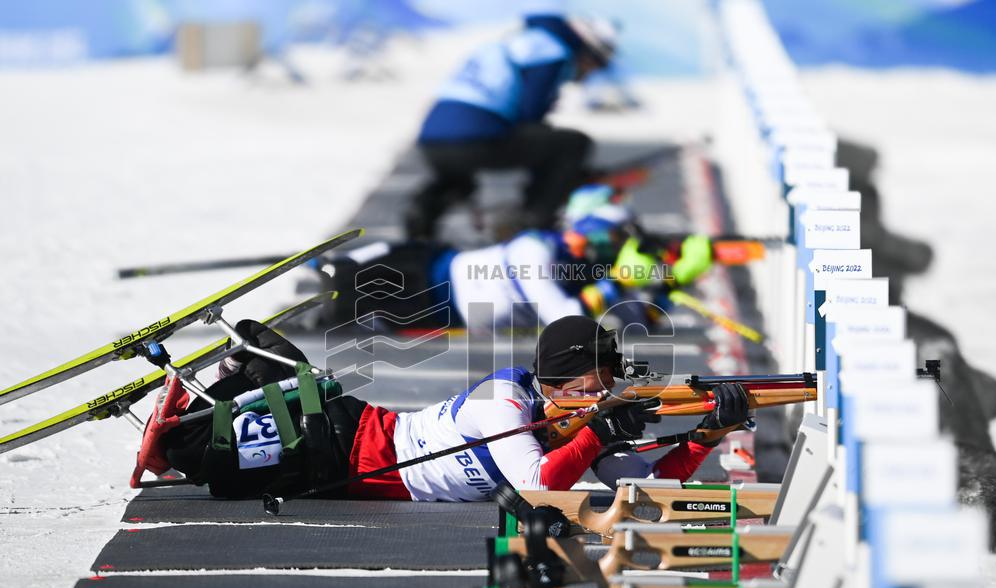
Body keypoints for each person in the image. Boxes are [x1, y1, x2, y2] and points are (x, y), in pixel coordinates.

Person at [141, 316, 748, 501]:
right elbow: (539, 483)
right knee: (200, 457)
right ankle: (221, 378)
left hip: (345, 465)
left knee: (230, 467)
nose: (596, 401)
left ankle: (253, 370)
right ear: (557, 382)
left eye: (603, 390)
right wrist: (598, 434)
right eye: (589, 388)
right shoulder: (503, 401)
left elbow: (639, 490)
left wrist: (705, 436)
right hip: (347, 445)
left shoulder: (576, 425)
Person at [318, 198, 715, 331]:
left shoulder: (591, 275)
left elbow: (641, 320)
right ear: (589, 231)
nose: (617, 249)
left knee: (350, 313)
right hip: (429, 271)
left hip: (439, 311)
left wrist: (663, 285)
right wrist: (621, 282)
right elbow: (561, 315)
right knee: (350, 276)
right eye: (614, 238)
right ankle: (330, 266)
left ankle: (323, 308)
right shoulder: (535, 249)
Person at [405, 12, 618, 240]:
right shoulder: (551, 50)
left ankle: (422, 218)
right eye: (595, 63)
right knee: (572, 144)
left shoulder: (515, 42)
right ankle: (534, 223)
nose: (589, 72)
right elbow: (530, 115)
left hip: (431, 141)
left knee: (459, 180)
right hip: (476, 139)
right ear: (586, 49)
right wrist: (565, 176)